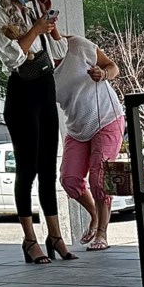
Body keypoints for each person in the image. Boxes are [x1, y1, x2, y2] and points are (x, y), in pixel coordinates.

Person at [0, 0, 78, 264]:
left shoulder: (35, 12)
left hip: (44, 87)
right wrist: (36, 29)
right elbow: (14, 58)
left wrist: (48, 24)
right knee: (27, 170)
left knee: (47, 170)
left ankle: (55, 235)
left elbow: (59, 51)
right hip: (22, 93)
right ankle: (29, 239)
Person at [55, 35, 124, 251]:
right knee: (69, 179)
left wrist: (104, 74)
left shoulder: (77, 46)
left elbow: (113, 67)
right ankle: (94, 213)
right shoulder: (39, 66)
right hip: (77, 127)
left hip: (106, 118)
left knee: (100, 177)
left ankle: (102, 233)